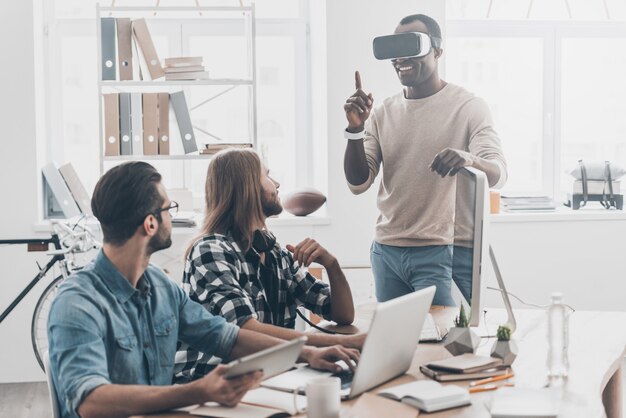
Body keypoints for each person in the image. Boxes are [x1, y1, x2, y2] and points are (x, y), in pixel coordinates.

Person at [47, 161, 359, 418]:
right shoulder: (77, 302)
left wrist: (308, 352)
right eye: (170, 209)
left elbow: (226, 337)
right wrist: (198, 390)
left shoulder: (160, 289)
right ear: (150, 225)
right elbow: (91, 402)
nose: (174, 215)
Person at [343, 14, 507, 306]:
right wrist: (355, 130)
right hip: (386, 252)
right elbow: (358, 183)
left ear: (438, 51)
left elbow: (498, 173)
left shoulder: (469, 107)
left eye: (412, 45)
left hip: (444, 251)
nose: (401, 58)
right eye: (395, 48)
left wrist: (468, 159)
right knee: (398, 348)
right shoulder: (382, 113)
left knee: (450, 346)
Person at [174, 149, 364, 383]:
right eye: (268, 176)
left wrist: (332, 264)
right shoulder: (211, 250)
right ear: (248, 186)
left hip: (269, 376)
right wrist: (343, 342)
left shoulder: (273, 252)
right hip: (214, 383)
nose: (277, 184)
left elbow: (342, 314)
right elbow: (245, 330)